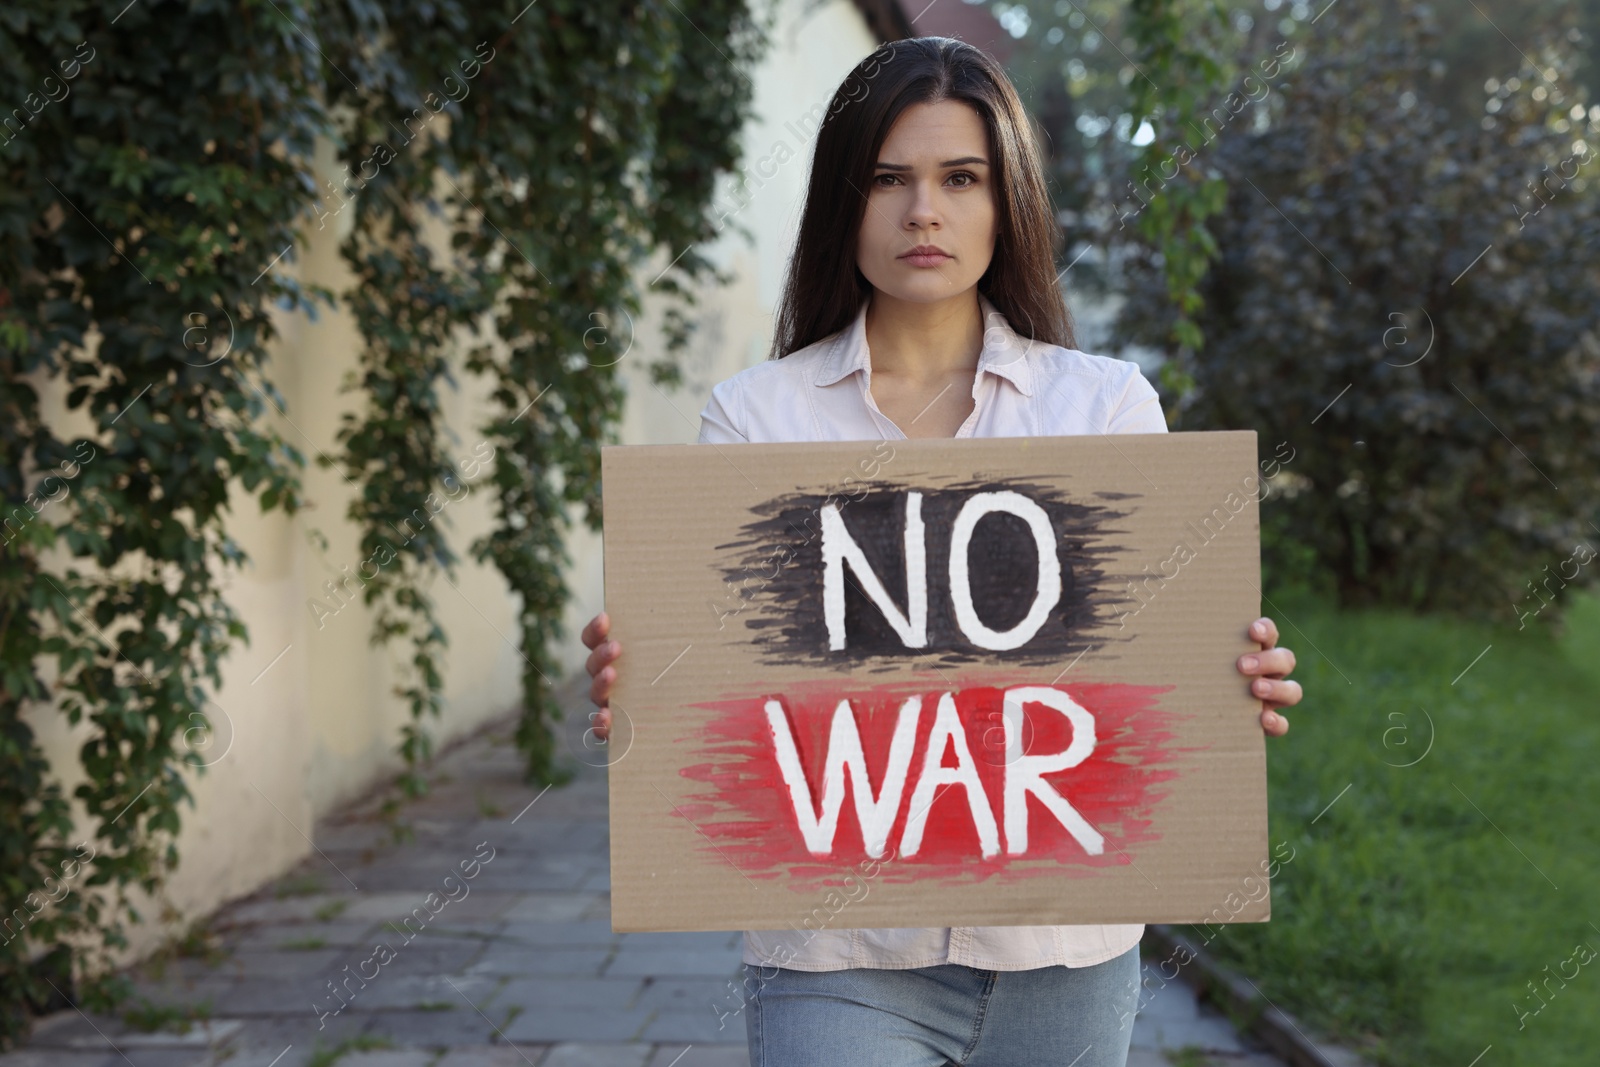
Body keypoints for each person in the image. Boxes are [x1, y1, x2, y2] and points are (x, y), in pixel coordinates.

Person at [581, 36, 1303, 1067]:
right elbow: (717, 680)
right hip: (834, 955)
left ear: (1004, 199)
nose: (924, 210)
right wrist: (651, 681)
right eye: (888, 179)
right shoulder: (754, 420)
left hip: (1066, 956)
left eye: (960, 178)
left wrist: (1231, 680)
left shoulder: (1103, 408)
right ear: (845, 201)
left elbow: (1153, 666)